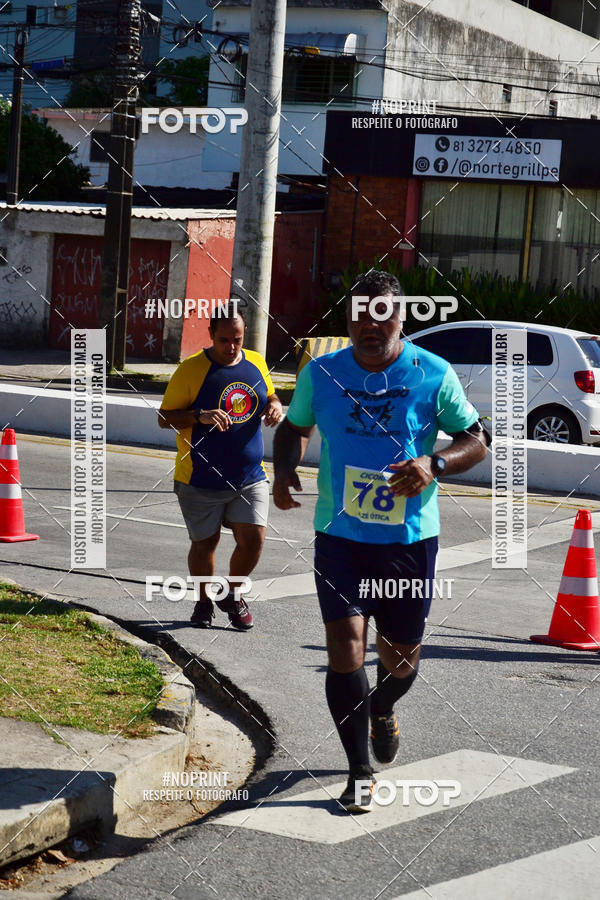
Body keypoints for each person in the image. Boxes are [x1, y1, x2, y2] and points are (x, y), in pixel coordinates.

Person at [273, 271, 489, 812]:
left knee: (400, 661)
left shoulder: (431, 373)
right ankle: (359, 772)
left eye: (381, 315)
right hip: (340, 536)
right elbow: (294, 427)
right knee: (346, 647)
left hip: (408, 540)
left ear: (401, 318)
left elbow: (476, 439)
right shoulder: (321, 372)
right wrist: (283, 470)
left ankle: (382, 707)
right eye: (359, 315)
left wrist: (434, 463)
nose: (369, 326)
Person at [158, 303, 283, 630]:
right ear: (211, 335)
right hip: (199, 478)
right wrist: (199, 415)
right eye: (224, 339)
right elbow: (163, 418)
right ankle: (202, 602)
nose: (231, 347)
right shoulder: (190, 370)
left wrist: (274, 405)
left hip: (250, 477)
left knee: (254, 538)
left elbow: (269, 394)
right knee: (205, 544)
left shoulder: (255, 361)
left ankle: (232, 593)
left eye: (237, 340)